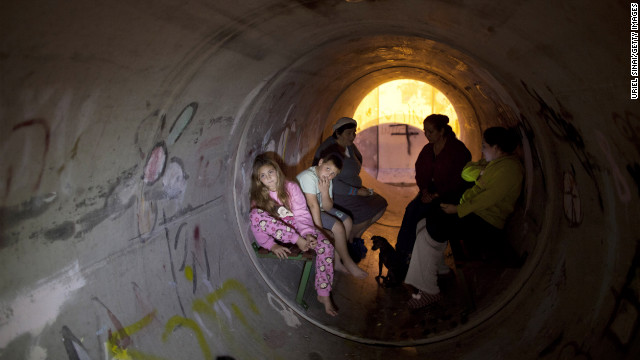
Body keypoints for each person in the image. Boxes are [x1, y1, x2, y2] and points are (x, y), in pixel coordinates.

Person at [404, 127, 524, 309]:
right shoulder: (495, 163)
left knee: (434, 224)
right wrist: (481, 173)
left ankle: (429, 291)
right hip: (475, 215)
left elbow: (487, 198)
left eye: (484, 146)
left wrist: (458, 209)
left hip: (486, 224)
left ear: (497, 147)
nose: (482, 150)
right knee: (425, 222)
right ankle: (439, 270)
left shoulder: (509, 169)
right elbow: (466, 171)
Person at [248, 154, 338, 316]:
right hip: (281, 234)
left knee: (326, 245)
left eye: (271, 172)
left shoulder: (291, 187)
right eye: (263, 175)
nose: (268, 178)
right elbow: (258, 223)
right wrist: (271, 245)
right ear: (258, 180)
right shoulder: (259, 196)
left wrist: (309, 233)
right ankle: (299, 240)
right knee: (255, 214)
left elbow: (302, 214)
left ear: (277, 171)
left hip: (299, 229)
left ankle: (323, 293)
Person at [395, 114, 472, 268]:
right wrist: (424, 191)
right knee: (411, 210)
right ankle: (401, 252)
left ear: (442, 131)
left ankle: (409, 255)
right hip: (429, 192)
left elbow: (459, 180)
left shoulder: (457, 150)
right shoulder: (428, 149)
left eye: (430, 132)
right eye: (425, 131)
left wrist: (436, 195)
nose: (426, 135)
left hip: (450, 194)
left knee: (421, 214)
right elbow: (420, 172)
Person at [313, 117, 388, 260]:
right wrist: (356, 191)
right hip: (335, 193)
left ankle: (355, 236)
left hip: (353, 188)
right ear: (337, 133)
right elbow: (331, 182)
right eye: (349, 133)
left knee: (380, 203)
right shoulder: (330, 150)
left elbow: (357, 160)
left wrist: (357, 186)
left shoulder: (348, 146)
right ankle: (348, 243)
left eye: (354, 132)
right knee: (365, 212)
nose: (353, 136)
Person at [297, 151, 368, 279]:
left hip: (320, 208)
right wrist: (319, 230)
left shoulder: (327, 180)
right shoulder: (309, 176)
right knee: (338, 227)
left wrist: (324, 192)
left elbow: (328, 206)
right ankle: (348, 262)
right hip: (305, 212)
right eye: (327, 168)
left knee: (347, 221)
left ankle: (337, 260)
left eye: (332, 174)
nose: (328, 174)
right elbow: (313, 206)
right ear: (320, 162)